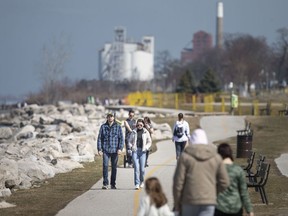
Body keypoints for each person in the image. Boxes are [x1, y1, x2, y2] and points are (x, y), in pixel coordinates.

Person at [173, 128, 230, 216]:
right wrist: (213, 192)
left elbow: (178, 183)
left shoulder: (185, 157)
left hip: (189, 200)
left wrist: (177, 204)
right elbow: (225, 182)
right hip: (208, 201)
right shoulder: (216, 157)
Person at [215, 143, 254, 216]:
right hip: (236, 207)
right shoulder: (238, 170)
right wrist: (250, 210)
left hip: (220, 207)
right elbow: (244, 192)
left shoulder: (216, 170)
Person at [97, 112, 124, 190]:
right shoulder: (103, 127)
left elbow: (121, 139)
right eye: (109, 116)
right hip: (105, 150)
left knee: (114, 167)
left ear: (114, 117)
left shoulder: (118, 127)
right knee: (105, 166)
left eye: (111, 116)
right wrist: (99, 149)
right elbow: (99, 138)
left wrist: (120, 148)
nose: (110, 118)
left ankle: (113, 184)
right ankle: (105, 184)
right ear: (107, 118)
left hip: (115, 150)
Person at [129, 118, 152, 190]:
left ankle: (142, 181)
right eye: (138, 125)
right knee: (136, 168)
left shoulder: (146, 132)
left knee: (142, 169)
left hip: (143, 152)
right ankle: (137, 183)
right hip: (135, 151)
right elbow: (130, 141)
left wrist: (146, 147)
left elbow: (149, 141)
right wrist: (131, 146)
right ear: (136, 125)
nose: (139, 126)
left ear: (143, 125)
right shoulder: (133, 132)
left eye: (141, 125)